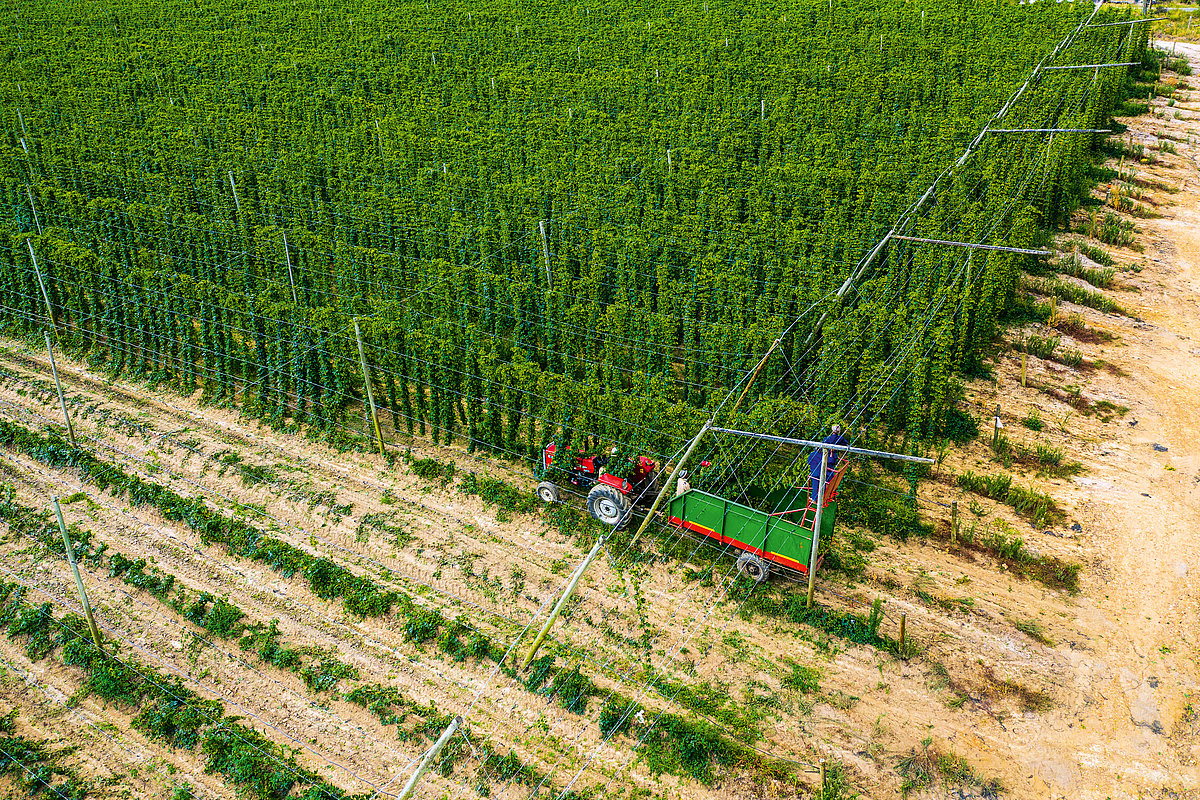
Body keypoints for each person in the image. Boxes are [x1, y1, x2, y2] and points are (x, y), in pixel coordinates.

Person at [808, 424, 849, 504]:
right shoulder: (840, 439)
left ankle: (814, 498)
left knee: (816, 483)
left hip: (816, 472)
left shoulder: (826, 439)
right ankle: (824, 496)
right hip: (826, 469)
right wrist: (832, 453)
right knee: (826, 481)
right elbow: (845, 444)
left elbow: (809, 462)